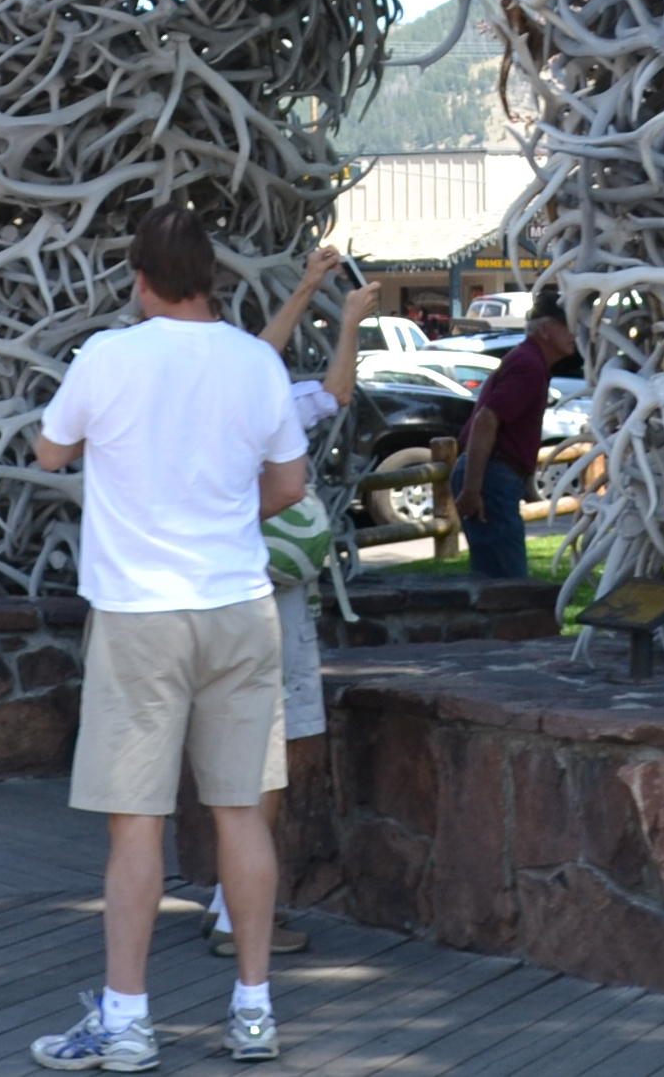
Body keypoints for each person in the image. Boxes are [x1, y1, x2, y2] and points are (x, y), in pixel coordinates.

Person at [30, 203, 308, 1070]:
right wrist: (226, 512)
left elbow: (49, 453)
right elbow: (291, 482)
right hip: (238, 605)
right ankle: (255, 1011)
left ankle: (126, 1023)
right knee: (242, 812)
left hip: (140, 614)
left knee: (136, 826)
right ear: (213, 278)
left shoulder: (109, 356)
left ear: (140, 278)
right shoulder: (256, 361)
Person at [196, 248, 380, 959]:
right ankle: (237, 911)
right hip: (267, 594)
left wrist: (316, 294)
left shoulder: (215, 396)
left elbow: (301, 378)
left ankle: (225, 895)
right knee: (272, 745)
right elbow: (323, 388)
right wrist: (341, 316)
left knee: (232, 744)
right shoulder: (259, 402)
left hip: (208, 594)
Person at [452, 290, 578, 578]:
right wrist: (472, 489)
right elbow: (486, 420)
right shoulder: (529, 365)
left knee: (496, 581)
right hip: (492, 477)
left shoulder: (529, 361)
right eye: (568, 325)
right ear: (545, 330)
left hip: (492, 476)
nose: (575, 334)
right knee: (508, 587)